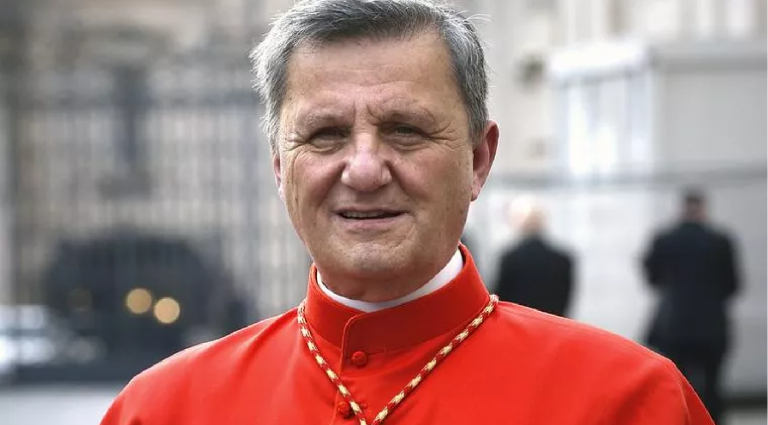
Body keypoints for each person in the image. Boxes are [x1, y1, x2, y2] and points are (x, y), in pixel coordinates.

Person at [101, 1, 714, 424]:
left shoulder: (629, 401)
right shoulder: (163, 410)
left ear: (478, 160)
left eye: (406, 130)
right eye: (325, 135)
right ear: (281, 168)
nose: (365, 170)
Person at [642, 189, 741, 424]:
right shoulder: (720, 241)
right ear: (703, 208)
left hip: (674, 324)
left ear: (682, 208)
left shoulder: (665, 240)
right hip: (712, 325)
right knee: (713, 385)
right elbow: (733, 284)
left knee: (678, 384)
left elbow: (653, 278)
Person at [495, 203, 575, 317]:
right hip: (551, 322)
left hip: (519, 321)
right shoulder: (562, 260)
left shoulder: (511, 258)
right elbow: (565, 299)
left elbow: (500, 296)